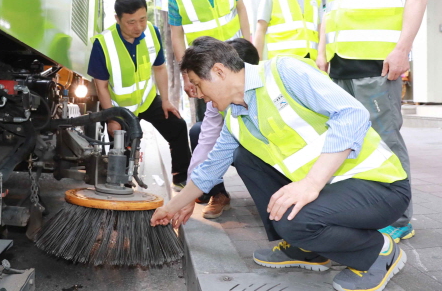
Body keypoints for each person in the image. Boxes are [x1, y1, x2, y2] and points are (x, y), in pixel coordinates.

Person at [152, 36, 410, 291]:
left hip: (379, 185)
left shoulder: (284, 71)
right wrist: (174, 205)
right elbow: (210, 169)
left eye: (197, 84)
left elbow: (352, 113)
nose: (198, 94)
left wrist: (311, 183)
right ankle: (305, 249)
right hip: (331, 190)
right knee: (246, 158)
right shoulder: (235, 117)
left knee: (290, 221)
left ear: (218, 71)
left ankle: (377, 251)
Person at [319, 0, 426, 242]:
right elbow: (329, 14)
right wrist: (322, 53)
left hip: (377, 67)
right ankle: (366, 210)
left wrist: (402, 48)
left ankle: (400, 216)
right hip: (339, 69)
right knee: (349, 145)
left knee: (386, 141)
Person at [87, 0, 191, 188]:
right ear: (117, 19)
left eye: (143, 19)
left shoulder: (152, 32)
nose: (139, 27)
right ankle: (124, 187)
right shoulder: (103, 43)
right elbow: (101, 86)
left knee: (178, 125)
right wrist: (112, 119)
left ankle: (181, 178)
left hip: (147, 100)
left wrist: (166, 100)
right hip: (120, 109)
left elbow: (159, 68)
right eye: (131, 22)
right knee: (122, 156)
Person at [168, 0, 251, 120]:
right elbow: (176, 35)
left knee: (246, 115)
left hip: (236, 60)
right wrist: (186, 75)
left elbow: (241, 9)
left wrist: (249, 47)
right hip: (203, 69)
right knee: (210, 123)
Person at [188, 39, 259, 219]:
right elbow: (207, 141)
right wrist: (188, 193)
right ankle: (217, 193)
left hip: (262, 152)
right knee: (198, 132)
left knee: (244, 155)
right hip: (236, 145)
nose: (199, 94)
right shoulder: (215, 101)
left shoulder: (268, 90)